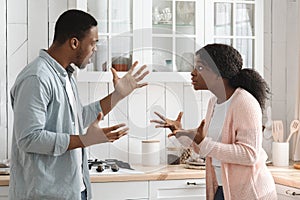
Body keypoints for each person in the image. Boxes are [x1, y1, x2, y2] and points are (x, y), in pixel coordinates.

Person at [9, 9, 149, 200]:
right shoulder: (37, 78)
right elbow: (29, 138)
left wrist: (118, 95)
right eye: (93, 43)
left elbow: (78, 119)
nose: (95, 49)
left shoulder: (67, 76)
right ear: (74, 43)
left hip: (74, 190)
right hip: (44, 195)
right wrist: (85, 140)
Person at [151, 43, 277, 200]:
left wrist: (203, 142)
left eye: (201, 68)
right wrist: (180, 132)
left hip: (251, 192)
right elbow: (207, 148)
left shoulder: (244, 102)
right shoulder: (214, 102)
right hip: (222, 189)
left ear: (219, 73)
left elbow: (249, 154)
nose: (193, 73)